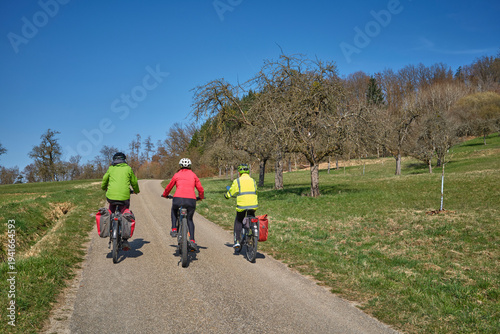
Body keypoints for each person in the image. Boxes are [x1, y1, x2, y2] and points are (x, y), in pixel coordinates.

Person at [162, 158, 204, 251]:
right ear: (190, 166)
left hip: (178, 199)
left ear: (180, 166)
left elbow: (169, 187)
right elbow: (200, 189)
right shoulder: (193, 175)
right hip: (191, 200)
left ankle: (173, 229)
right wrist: (200, 197)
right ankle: (192, 240)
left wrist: (165, 195)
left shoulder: (177, 175)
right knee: (189, 219)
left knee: (174, 210)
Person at [101, 152, 140, 251]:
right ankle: (125, 240)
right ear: (124, 160)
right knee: (125, 212)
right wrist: (136, 191)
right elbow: (134, 182)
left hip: (111, 196)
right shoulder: (128, 168)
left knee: (111, 210)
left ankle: (109, 227)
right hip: (124, 197)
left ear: (114, 160)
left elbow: (105, 180)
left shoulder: (111, 168)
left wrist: (104, 188)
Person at [224, 163, 258, 250]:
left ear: (239, 172)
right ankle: (253, 232)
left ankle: (237, 241)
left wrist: (227, 196)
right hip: (253, 204)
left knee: (238, 221)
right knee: (251, 217)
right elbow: (256, 191)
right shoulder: (253, 180)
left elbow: (231, 192)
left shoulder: (237, 181)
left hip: (242, 205)